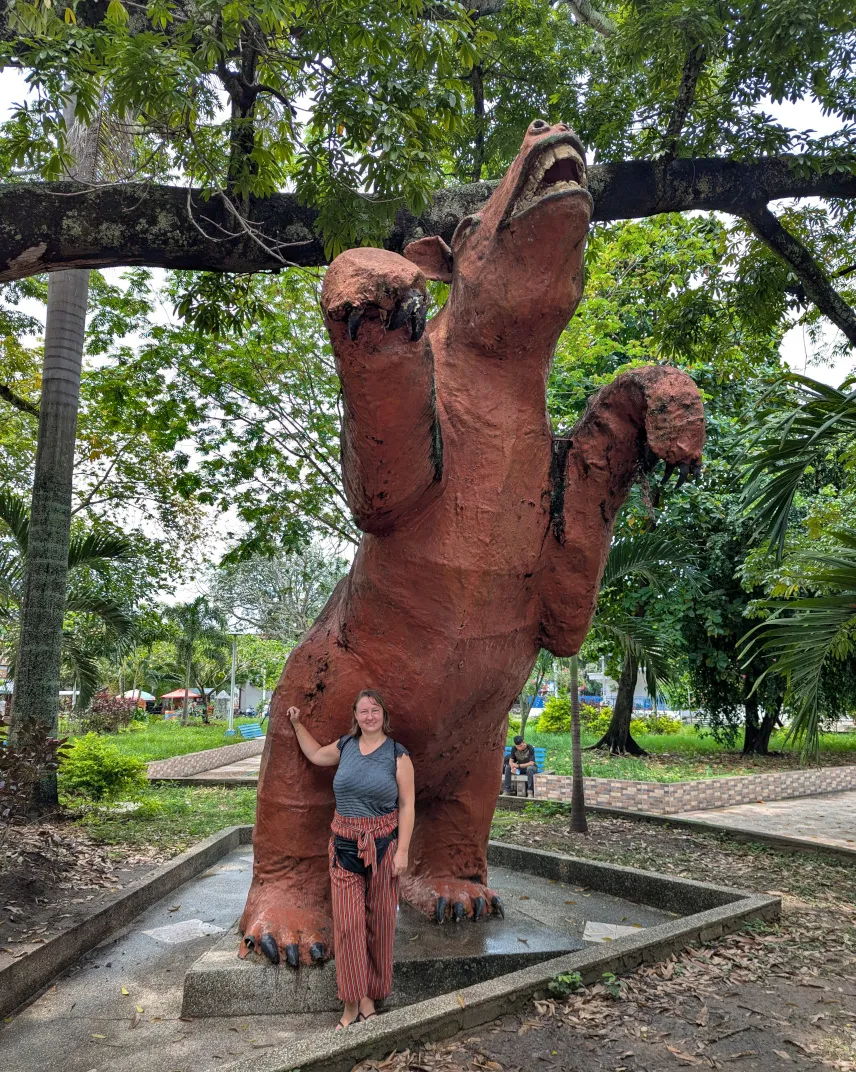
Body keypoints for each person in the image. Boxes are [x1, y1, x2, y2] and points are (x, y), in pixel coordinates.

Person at [287, 689, 415, 1030]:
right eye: (363, 711)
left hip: (385, 848)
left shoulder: (398, 755)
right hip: (345, 847)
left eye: (375, 710)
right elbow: (314, 754)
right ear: (355, 716)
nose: (369, 716)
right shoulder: (345, 747)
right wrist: (298, 724)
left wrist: (402, 850)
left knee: (381, 924)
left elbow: (407, 805)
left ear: (383, 715)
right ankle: (350, 1003)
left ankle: (370, 998)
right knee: (348, 926)